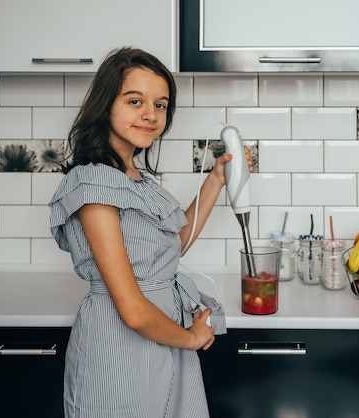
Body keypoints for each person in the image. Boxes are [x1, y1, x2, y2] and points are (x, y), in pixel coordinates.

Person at [48, 47, 228, 418]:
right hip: (120, 347)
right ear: (105, 104)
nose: (151, 114)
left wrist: (216, 180)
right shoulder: (93, 181)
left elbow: (170, 248)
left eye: (161, 105)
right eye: (135, 101)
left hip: (164, 334)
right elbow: (131, 310)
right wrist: (192, 338)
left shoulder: (137, 180)